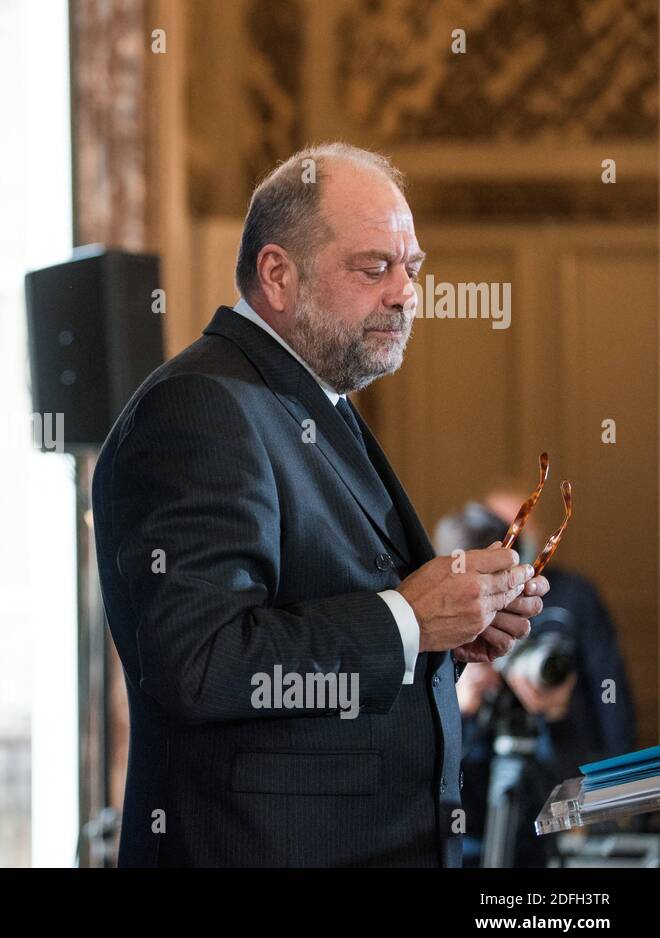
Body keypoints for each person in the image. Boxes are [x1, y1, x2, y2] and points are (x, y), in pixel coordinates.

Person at [90, 143, 549, 867]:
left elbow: (331, 630)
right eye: (375, 267)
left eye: (413, 269)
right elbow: (198, 662)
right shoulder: (201, 405)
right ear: (278, 273)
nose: (405, 293)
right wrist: (406, 618)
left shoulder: (306, 398)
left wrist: (448, 634)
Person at [437, 495, 637, 867]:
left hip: (551, 800)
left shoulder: (568, 597)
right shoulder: (431, 623)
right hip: (463, 821)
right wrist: (456, 703)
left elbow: (613, 709)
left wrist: (557, 714)